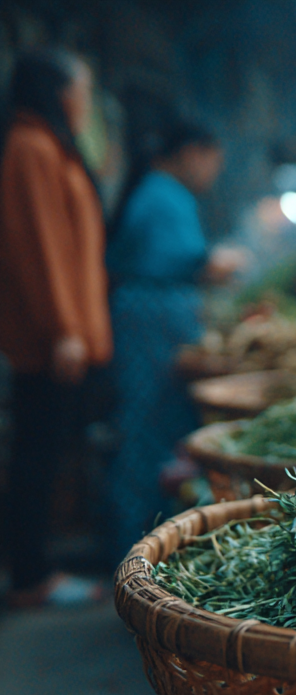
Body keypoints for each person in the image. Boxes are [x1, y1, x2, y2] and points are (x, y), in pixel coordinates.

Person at [0, 50, 110, 608]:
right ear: (61, 91)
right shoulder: (32, 147)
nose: (87, 101)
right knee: (37, 456)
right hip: (51, 340)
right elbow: (39, 250)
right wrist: (66, 330)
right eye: (84, 89)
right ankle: (30, 577)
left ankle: (37, 568)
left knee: (46, 453)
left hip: (67, 335)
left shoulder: (52, 145)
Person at [105, 120, 242, 560]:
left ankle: (147, 541)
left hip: (152, 318)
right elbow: (189, 262)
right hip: (151, 321)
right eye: (213, 162)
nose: (213, 173)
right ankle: (137, 549)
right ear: (190, 152)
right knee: (148, 428)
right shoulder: (164, 195)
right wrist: (218, 264)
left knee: (152, 427)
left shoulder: (156, 190)